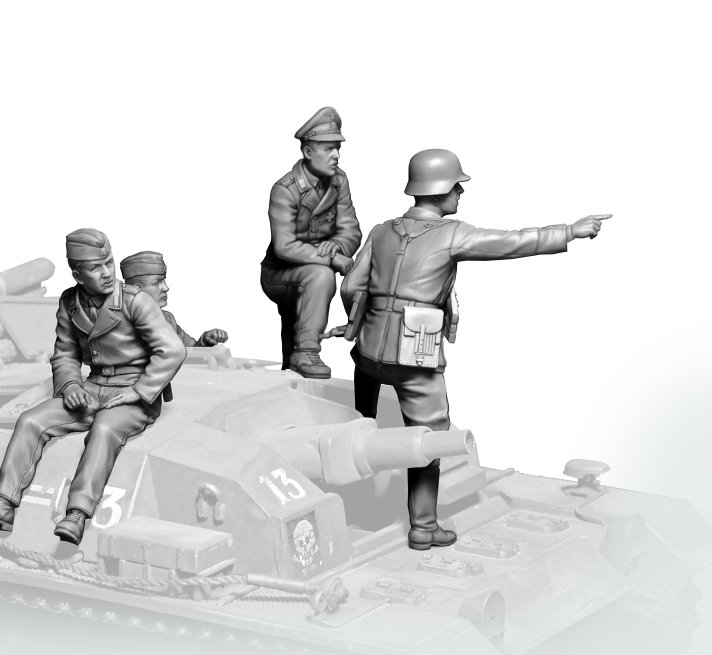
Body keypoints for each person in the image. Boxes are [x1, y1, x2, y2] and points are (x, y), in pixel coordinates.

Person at [333, 149, 610, 550]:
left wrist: (358, 324)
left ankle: (360, 506)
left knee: (362, 427)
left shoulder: (381, 231)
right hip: (415, 352)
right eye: (456, 185)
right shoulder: (452, 234)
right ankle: (423, 527)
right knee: (428, 437)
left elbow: (350, 286)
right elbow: (512, 242)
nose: (460, 192)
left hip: (368, 352)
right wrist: (569, 231)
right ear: (439, 188)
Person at [0, 228, 186, 545]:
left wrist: (139, 390)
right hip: (92, 386)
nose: (107, 273)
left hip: (132, 390)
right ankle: (2, 505)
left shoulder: (134, 301)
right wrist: (70, 386)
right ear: (78, 274)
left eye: (109, 263)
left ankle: (77, 514)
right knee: (31, 421)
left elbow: (172, 349)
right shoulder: (69, 303)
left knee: (105, 430)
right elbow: (65, 353)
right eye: (96, 268)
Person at [261, 106, 361, 378]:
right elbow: (284, 246)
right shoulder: (286, 189)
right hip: (279, 274)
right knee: (321, 275)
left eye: (337, 148)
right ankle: (306, 351)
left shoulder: (339, 181)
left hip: (313, 270)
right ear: (308, 152)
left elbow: (351, 229)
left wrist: (338, 245)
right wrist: (329, 257)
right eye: (328, 149)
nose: (336, 155)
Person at [119, 251, 228, 347]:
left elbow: (190, 351)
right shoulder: (119, 325)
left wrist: (205, 341)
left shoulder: (167, 318)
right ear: (137, 289)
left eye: (163, 281)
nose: (165, 288)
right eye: (157, 282)